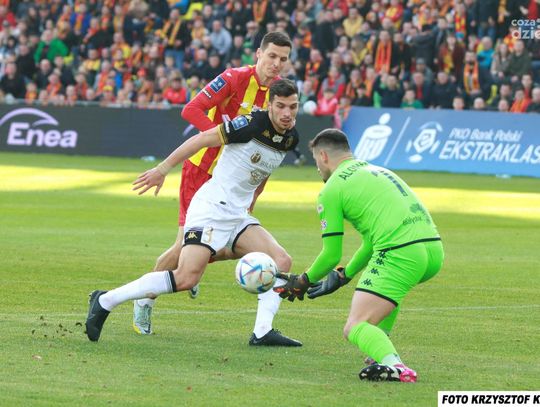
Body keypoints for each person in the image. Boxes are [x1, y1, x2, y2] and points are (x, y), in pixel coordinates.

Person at [86, 79, 303, 347]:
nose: (286, 113)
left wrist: (253, 202)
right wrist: (162, 169)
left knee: (281, 260)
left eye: (292, 107)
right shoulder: (250, 124)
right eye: (280, 106)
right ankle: (105, 300)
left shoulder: (290, 137)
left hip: (238, 214)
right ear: (269, 105)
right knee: (187, 277)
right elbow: (201, 138)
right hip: (212, 208)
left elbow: (262, 174)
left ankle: (262, 332)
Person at [130, 31, 296, 347]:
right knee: (181, 245)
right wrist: (224, 138)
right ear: (259, 54)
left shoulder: (279, 96)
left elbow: (269, 156)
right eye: (272, 56)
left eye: (283, 59)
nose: (276, 63)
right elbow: (191, 109)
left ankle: (193, 264)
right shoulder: (234, 78)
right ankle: (145, 300)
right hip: (201, 172)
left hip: (236, 185)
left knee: (228, 245)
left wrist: (253, 198)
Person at [274, 129, 444, 382]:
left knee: (354, 326)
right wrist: (346, 274)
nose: (317, 168)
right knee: (389, 292)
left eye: (316, 160)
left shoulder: (332, 189)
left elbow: (331, 254)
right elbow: (371, 241)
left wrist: (303, 280)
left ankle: (396, 366)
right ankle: (380, 351)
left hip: (401, 252)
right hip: (433, 251)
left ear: (323, 156)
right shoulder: (379, 171)